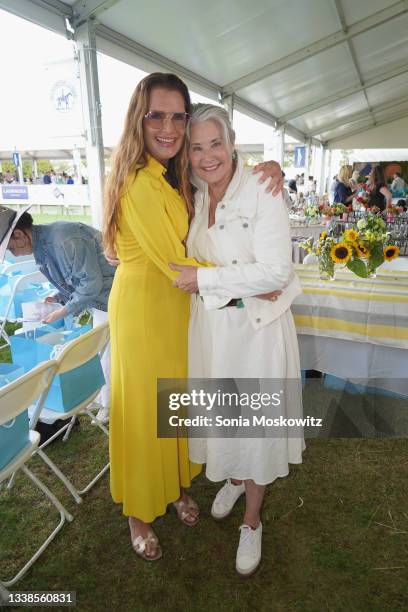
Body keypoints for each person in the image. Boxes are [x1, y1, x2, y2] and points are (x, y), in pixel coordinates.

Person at [103, 72, 284, 562]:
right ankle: (139, 513)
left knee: (176, 404)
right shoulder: (141, 180)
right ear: (138, 119)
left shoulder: (174, 175)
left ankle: (176, 486)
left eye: (177, 116)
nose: (169, 127)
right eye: (157, 115)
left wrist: (268, 169)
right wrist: (254, 278)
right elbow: (176, 261)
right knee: (146, 411)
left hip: (181, 308)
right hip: (147, 307)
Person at [171, 104, 304, 577]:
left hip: (256, 332)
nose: (208, 156)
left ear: (233, 144)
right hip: (214, 331)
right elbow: (253, 273)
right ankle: (233, 475)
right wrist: (237, 280)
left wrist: (207, 281)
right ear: (187, 154)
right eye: (197, 147)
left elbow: (275, 272)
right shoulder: (198, 195)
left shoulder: (263, 190)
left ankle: (252, 520)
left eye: (216, 144)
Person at [0, 206, 114, 425]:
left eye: (10, 247)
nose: (11, 254)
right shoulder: (45, 244)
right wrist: (58, 298)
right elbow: (75, 280)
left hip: (113, 296)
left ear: (19, 234)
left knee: (108, 353)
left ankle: (108, 404)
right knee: (102, 351)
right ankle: (102, 399)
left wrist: (63, 310)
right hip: (102, 299)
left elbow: (90, 284)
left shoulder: (64, 240)